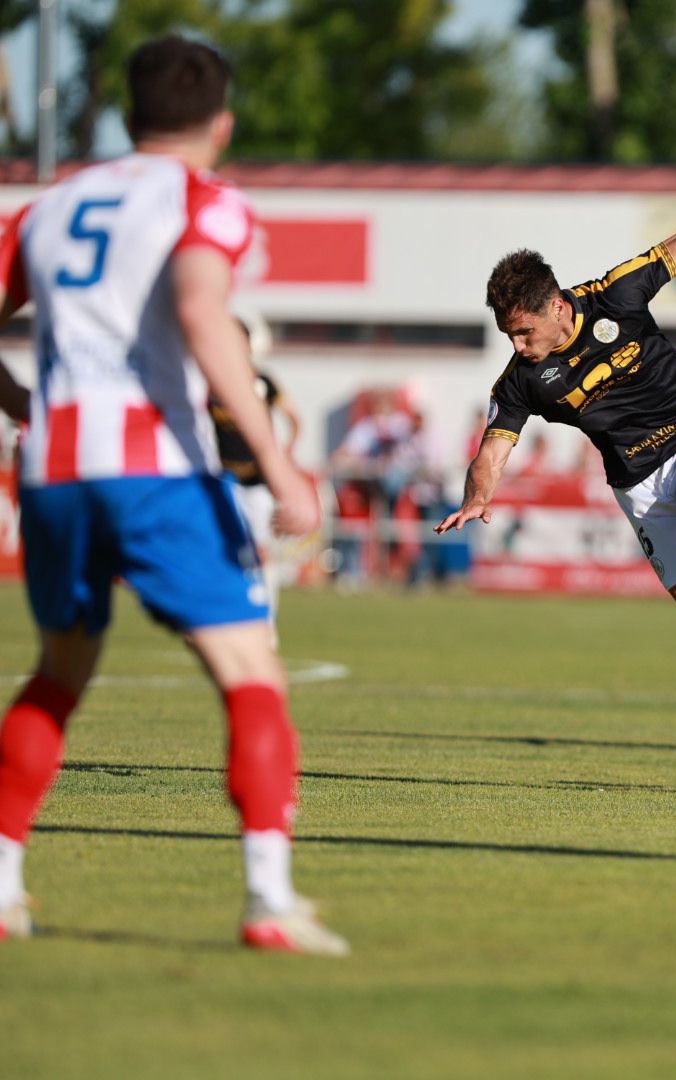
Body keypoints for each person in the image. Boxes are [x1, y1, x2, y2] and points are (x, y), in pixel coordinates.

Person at [0, 35, 345, 952]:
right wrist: (279, 467)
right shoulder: (208, 201)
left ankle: (1, 889)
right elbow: (201, 309)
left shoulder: (51, 208)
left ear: (127, 115)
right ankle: (269, 900)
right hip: (156, 470)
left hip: (55, 471)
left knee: (58, 673)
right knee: (248, 676)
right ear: (221, 123)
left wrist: (22, 402)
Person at [436, 192, 676, 793]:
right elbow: (493, 448)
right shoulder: (522, 381)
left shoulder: (616, 293)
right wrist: (478, 497)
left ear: (557, 306)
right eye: (508, 335)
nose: (516, 345)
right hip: (638, 485)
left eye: (523, 331)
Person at [209, 313, 301, 636]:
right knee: (225, 548)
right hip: (222, 479)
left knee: (261, 550)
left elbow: (293, 417)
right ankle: (231, 616)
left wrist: (287, 452)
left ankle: (266, 621)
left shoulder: (263, 382)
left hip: (258, 481)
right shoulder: (211, 383)